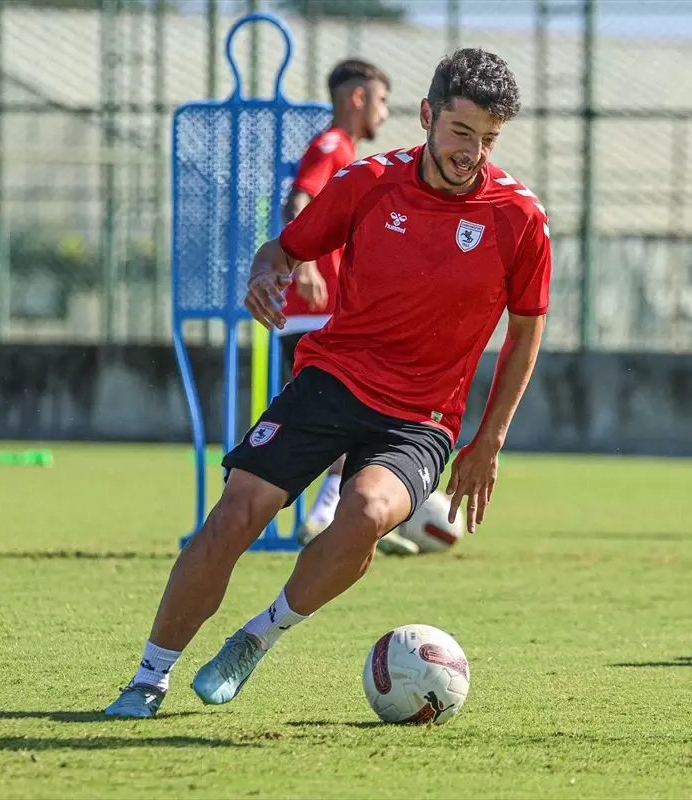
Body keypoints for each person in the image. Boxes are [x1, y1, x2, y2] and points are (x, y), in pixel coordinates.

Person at [105, 48, 550, 719]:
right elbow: (282, 246)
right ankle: (147, 678)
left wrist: (489, 439)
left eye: (488, 139)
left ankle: (260, 634)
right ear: (428, 116)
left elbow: (525, 334)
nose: (472, 153)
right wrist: (266, 275)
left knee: (366, 514)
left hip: (422, 419)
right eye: (461, 133)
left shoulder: (518, 218)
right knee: (236, 514)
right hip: (332, 382)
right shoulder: (368, 181)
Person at [277, 58, 416, 556]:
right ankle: (325, 518)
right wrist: (306, 264)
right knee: (337, 418)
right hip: (315, 316)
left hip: (330, 315)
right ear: (358, 98)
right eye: (380, 99)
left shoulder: (347, 152)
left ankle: (343, 518)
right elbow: (299, 201)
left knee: (358, 414)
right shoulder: (332, 145)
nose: (384, 110)